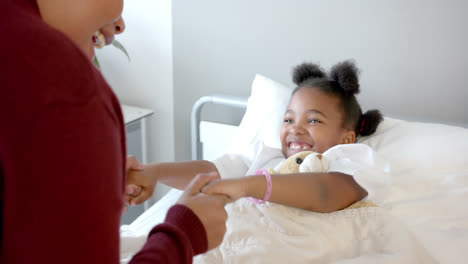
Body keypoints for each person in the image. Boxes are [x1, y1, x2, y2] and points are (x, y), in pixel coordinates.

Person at [0, 0, 230, 263]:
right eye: (287, 119)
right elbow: (219, 171)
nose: (120, 25)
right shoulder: (62, 87)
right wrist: (184, 236)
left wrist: (95, 179)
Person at [125, 60, 390, 214]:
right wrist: (154, 171)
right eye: (288, 119)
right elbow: (213, 173)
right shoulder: (266, 157)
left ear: (346, 138)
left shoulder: (345, 160)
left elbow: (325, 193)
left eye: (313, 120)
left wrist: (250, 186)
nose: (295, 129)